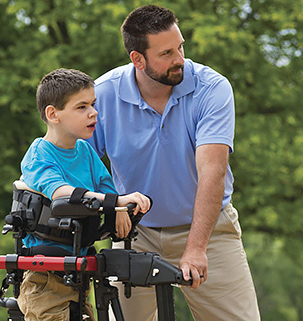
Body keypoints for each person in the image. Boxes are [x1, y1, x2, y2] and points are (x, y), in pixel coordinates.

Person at [88, 5, 261, 321]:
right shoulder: (103, 94)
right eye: (166, 53)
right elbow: (78, 163)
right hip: (134, 233)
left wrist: (196, 248)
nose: (179, 58)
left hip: (208, 230)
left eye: (180, 47)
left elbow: (212, 170)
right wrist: (109, 209)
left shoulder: (212, 88)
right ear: (138, 60)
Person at [17, 68, 151, 321]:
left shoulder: (86, 152)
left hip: (79, 272)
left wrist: (119, 210)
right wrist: (114, 203)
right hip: (45, 277)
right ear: (53, 114)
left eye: (93, 104)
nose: (93, 112)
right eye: (81, 107)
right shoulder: (39, 154)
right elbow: (60, 192)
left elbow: (106, 187)